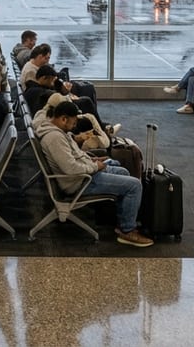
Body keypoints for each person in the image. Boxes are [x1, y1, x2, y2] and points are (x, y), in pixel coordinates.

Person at [34, 100, 154, 247]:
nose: (74, 126)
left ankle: (123, 221)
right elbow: (70, 168)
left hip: (83, 175)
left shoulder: (57, 132)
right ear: (63, 119)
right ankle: (127, 230)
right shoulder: (55, 138)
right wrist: (95, 167)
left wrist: (92, 160)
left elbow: (74, 156)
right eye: (73, 123)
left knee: (122, 171)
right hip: (79, 182)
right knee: (134, 185)